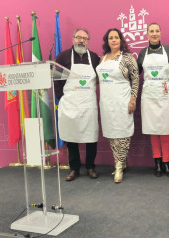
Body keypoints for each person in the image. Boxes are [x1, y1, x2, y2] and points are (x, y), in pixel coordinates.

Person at [55, 28, 100, 181]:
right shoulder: (62, 57)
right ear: (73, 38)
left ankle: (90, 166)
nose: (82, 41)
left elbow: (99, 79)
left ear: (88, 41)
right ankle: (74, 168)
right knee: (71, 136)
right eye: (79, 37)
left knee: (91, 136)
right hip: (70, 103)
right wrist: (61, 99)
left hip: (88, 103)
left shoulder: (94, 58)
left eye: (85, 38)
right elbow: (56, 81)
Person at [96, 28, 139, 183]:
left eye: (116, 37)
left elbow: (136, 79)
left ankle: (119, 166)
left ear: (121, 40)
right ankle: (121, 161)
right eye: (110, 38)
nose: (113, 40)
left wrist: (133, 100)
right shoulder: (103, 58)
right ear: (107, 41)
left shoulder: (127, 58)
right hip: (106, 102)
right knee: (112, 134)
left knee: (123, 133)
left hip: (123, 100)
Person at [137, 23, 169, 177]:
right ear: (147, 34)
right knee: (153, 130)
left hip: (166, 94)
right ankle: (157, 163)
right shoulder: (142, 53)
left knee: (166, 130)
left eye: (157, 31)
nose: (154, 34)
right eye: (151, 31)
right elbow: (135, 74)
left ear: (161, 33)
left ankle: (167, 162)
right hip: (149, 96)